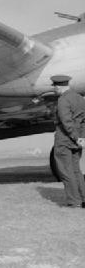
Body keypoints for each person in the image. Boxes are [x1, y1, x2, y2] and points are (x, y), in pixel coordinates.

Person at [51, 74, 85, 208]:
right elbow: (83, 120)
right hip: (78, 139)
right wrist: (81, 138)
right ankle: (83, 198)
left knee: (66, 171)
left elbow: (66, 122)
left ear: (58, 86)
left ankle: (74, 201)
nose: (54, 90)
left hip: (64, 139)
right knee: (76, 170)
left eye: (54, 87)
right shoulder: (79, 98)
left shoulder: (63, 100)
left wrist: (75, 137)